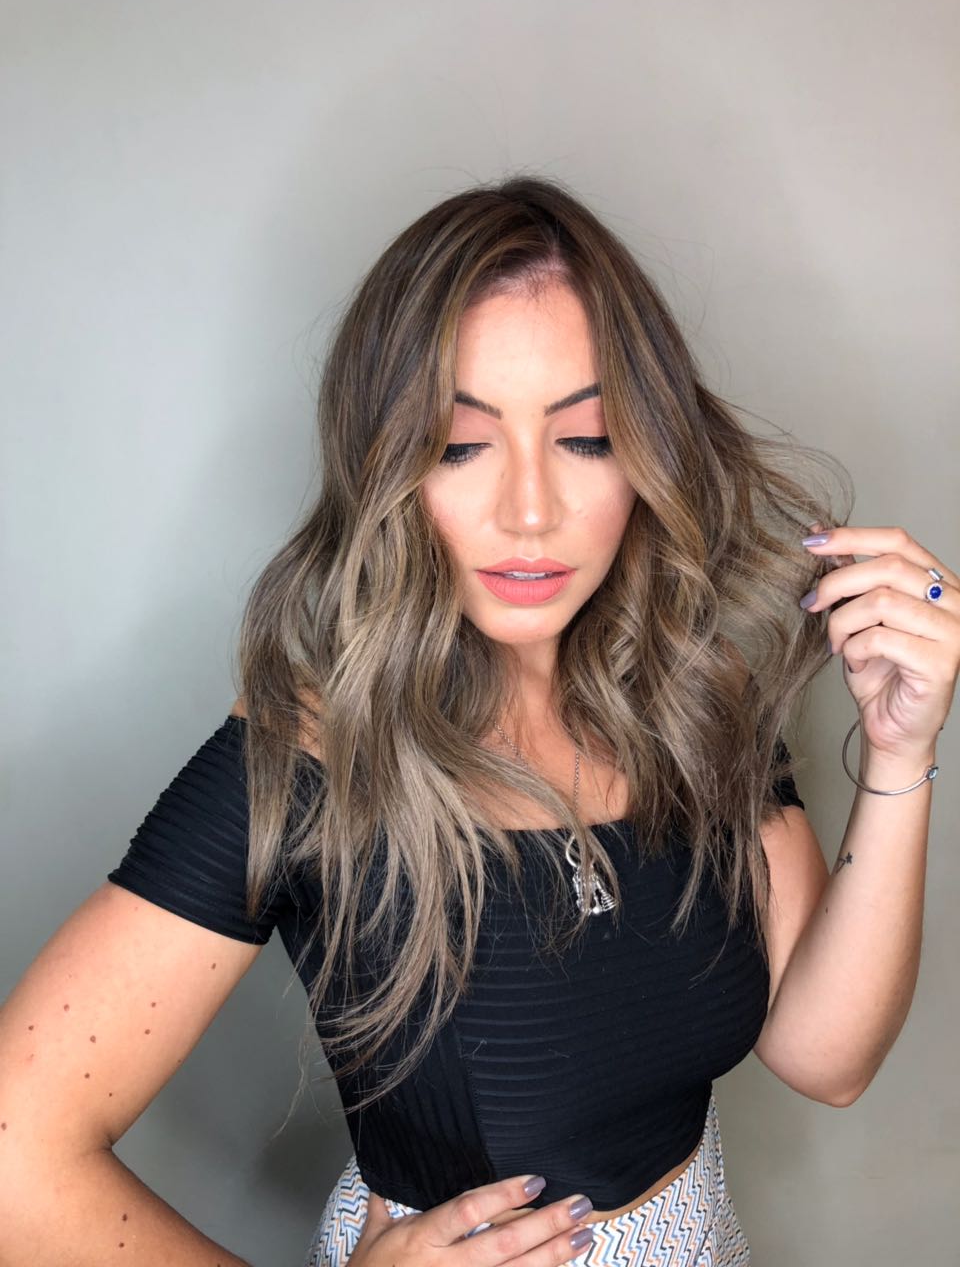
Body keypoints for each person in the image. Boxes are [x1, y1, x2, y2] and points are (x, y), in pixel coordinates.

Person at [0, 176, 956, 1267]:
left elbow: (826, 1057)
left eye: (586, 437)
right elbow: (16, 1156)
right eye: (460, 446)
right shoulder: (312, 753)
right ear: (387, 466)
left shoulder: (696, 695)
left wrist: (901, 750)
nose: (530, 511)